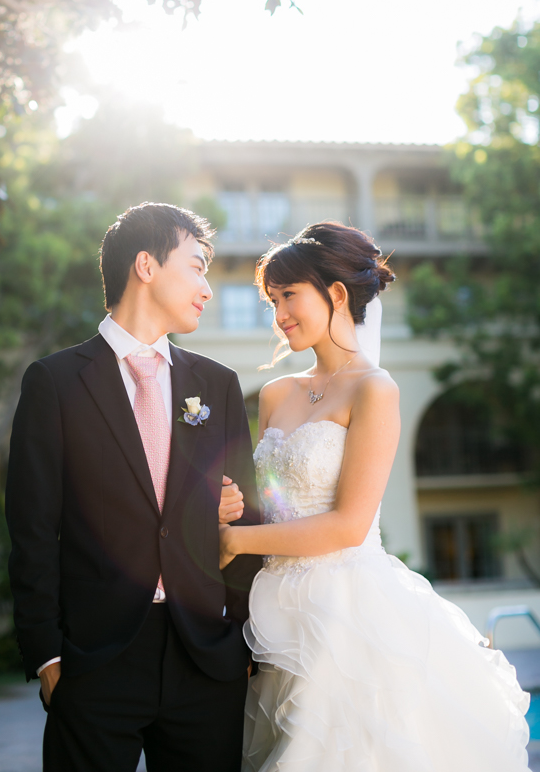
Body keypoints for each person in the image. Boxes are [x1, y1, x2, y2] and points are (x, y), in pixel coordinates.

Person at [219, 221, 531, 772]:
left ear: (336, 295)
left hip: (349, 611)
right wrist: (227, 507)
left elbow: (347, 525)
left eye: (288, 295)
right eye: (272, 301)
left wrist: (234, 540)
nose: (278, 314)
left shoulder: (375, 390)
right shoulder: (274, 394)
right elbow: (272, 505)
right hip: (274, 614)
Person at [5, 202, 261, 772]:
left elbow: (248, 520)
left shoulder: (217, 386)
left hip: (205, 660)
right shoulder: (54, 383)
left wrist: (240, 638)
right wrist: (47, 654)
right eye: (196, 267)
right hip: (95, 660)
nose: (207, 287)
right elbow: (33, 528)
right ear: (146, 265)